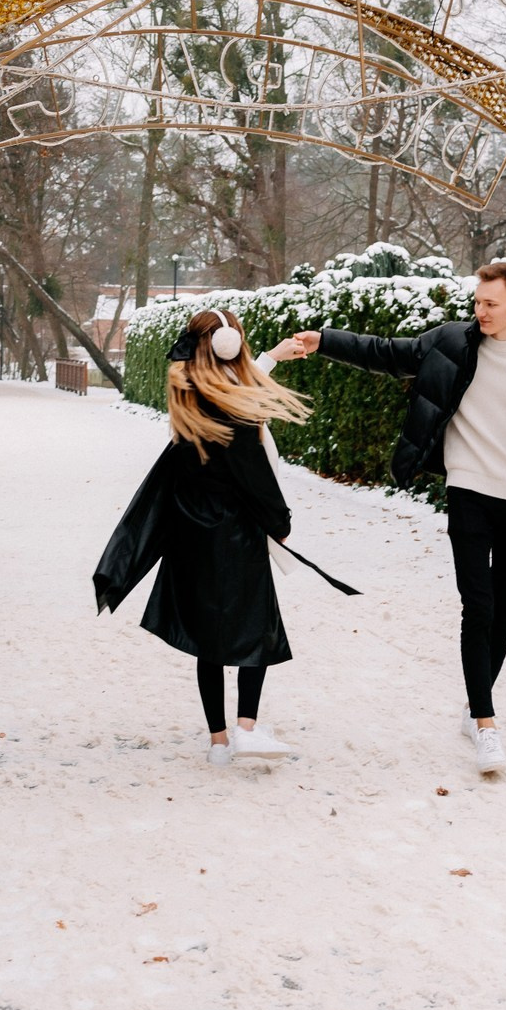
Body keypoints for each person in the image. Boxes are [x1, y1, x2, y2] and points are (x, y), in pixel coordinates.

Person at [271, 260, 506, 775]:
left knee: (505, 612)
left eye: (492, 303)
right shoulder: (452, 343)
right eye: (478, 301)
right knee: (478, 607)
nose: (481, 311)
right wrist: (326, 340)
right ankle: (486, 721)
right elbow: (388, 352)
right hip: (468, 490)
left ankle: (477, 705)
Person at [94, 310, 314, 765]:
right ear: (228, 343)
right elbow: (254, 473)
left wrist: (272, 356)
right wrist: (280, 522)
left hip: (191, 531)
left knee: (209, 641)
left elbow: (234, 384)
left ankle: (218, 743)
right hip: (237, 531)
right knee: (257, 628)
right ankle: (246, 730)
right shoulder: (234, 408)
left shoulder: (189, 391)